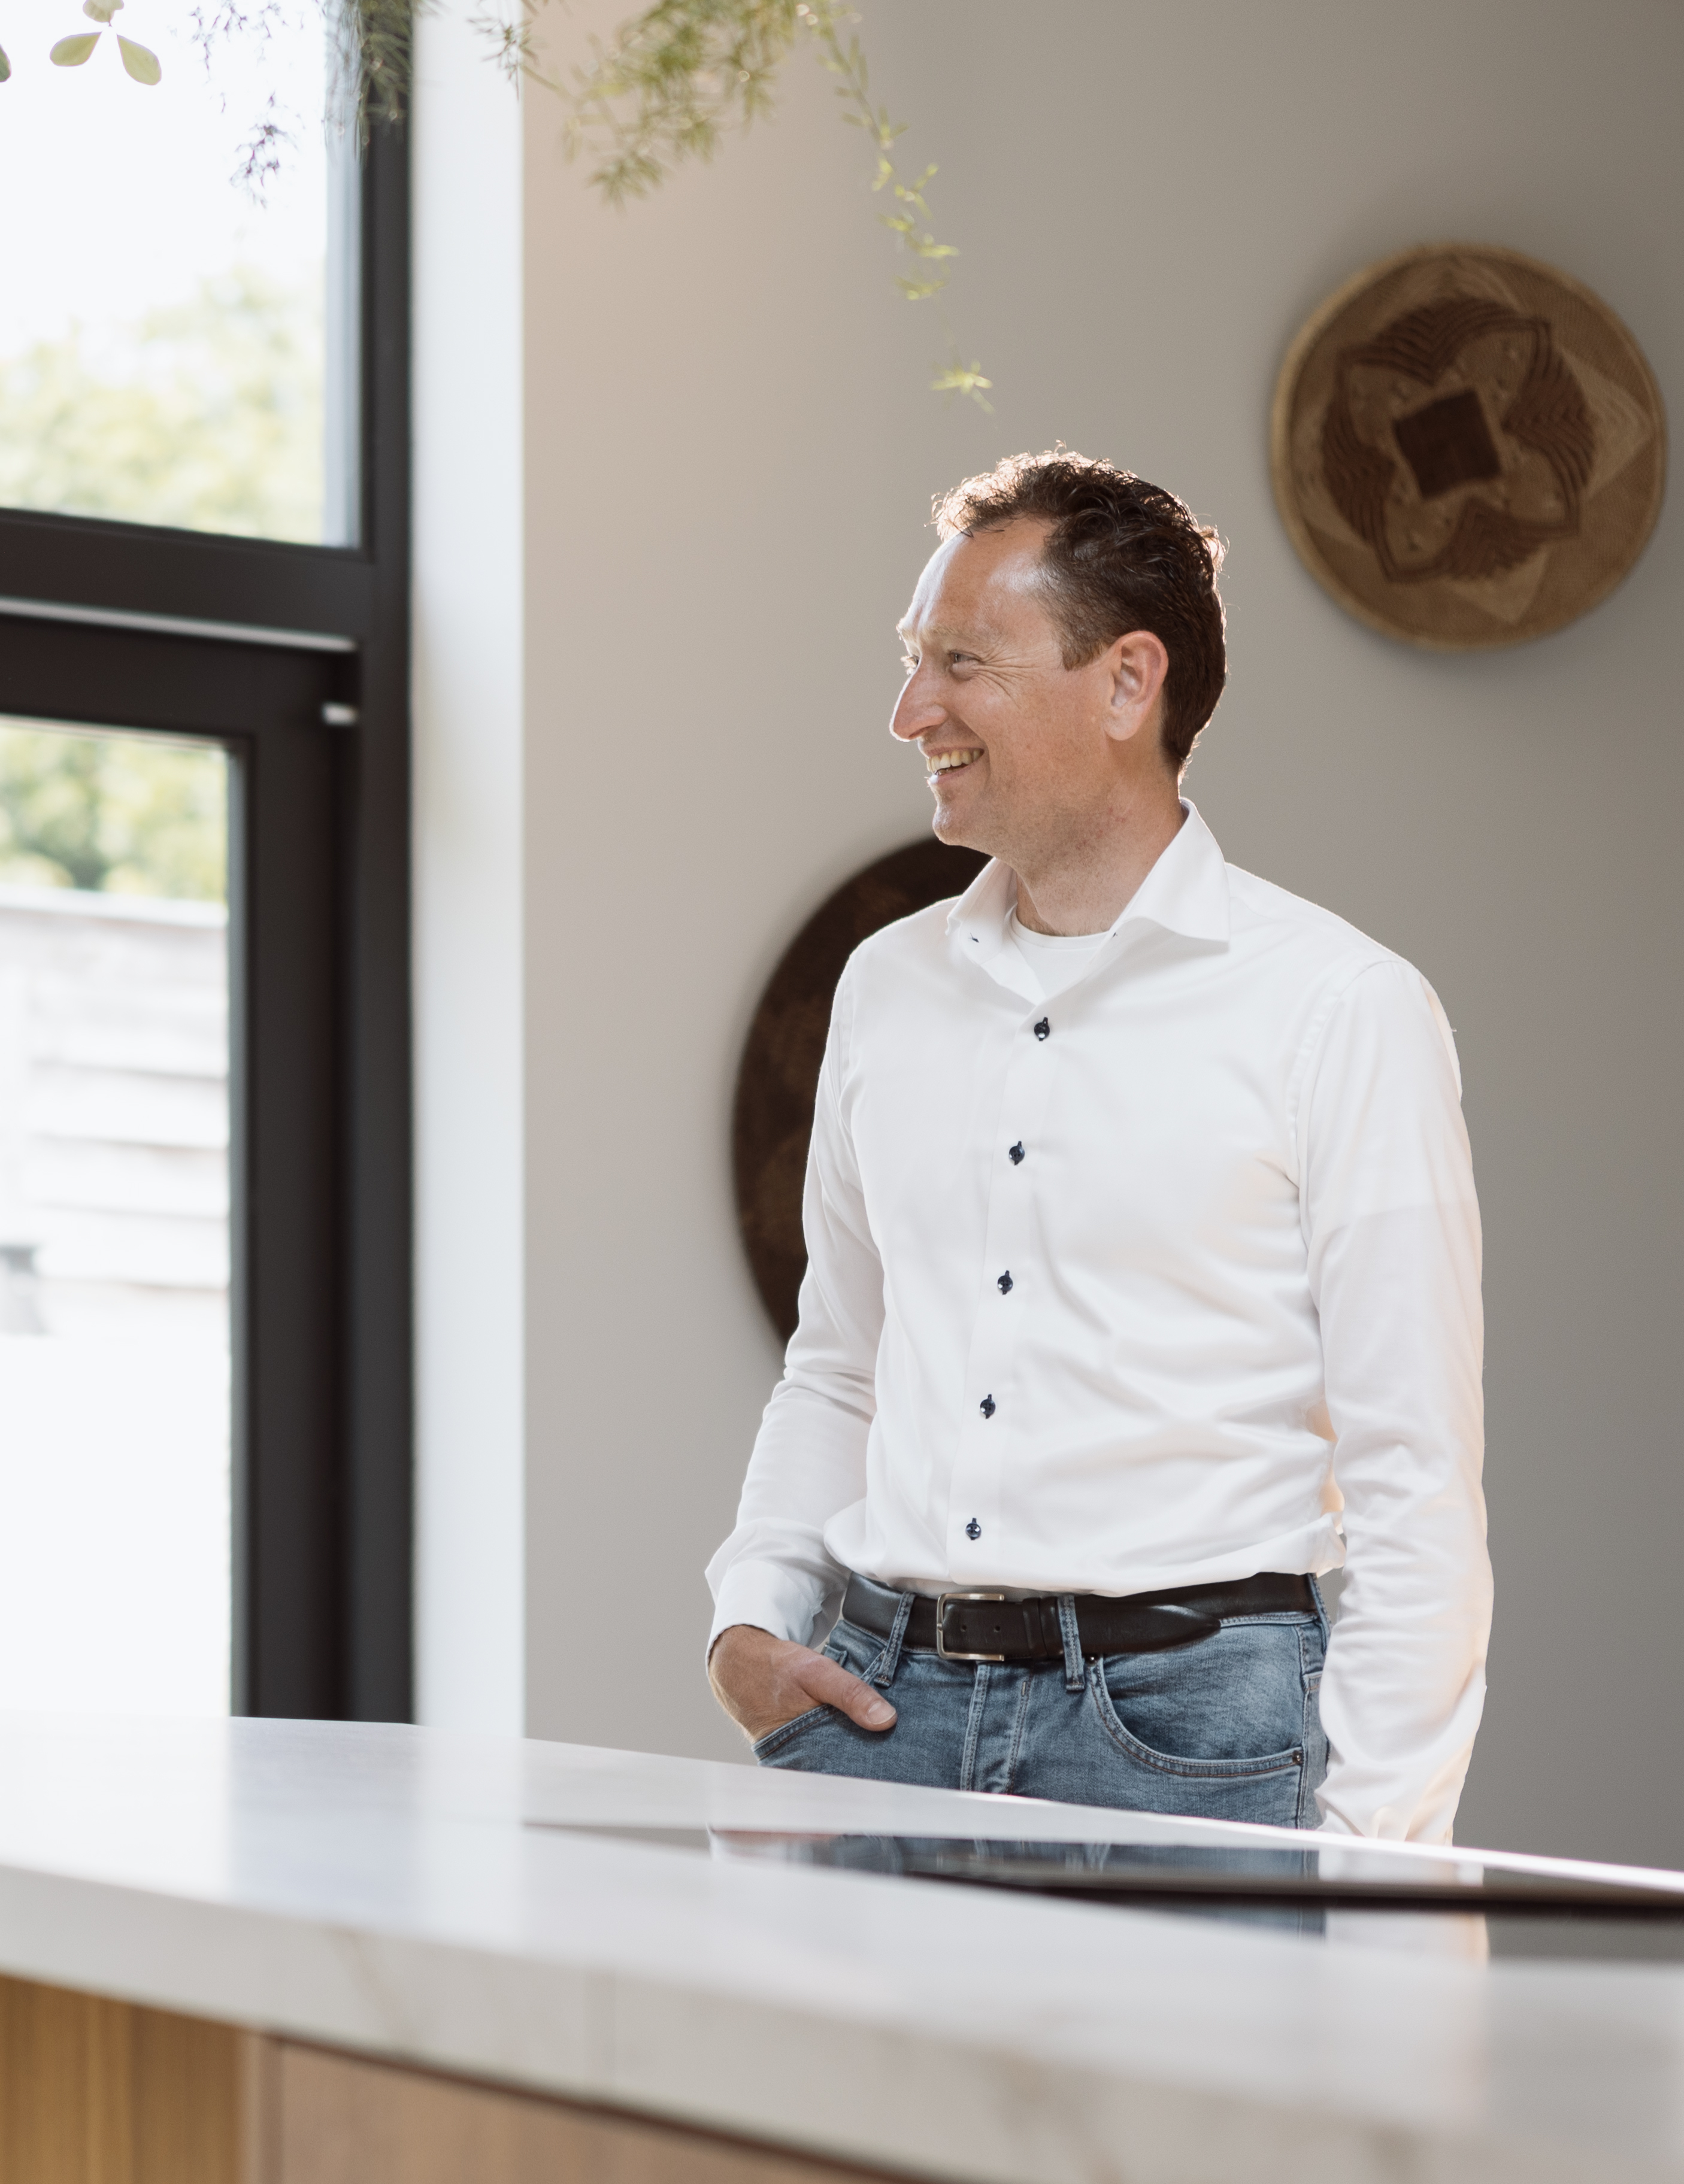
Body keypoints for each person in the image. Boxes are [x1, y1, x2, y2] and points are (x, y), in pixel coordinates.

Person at [705, 451, 1490, 1842]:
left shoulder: (1341, 1008)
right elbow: (838, 1364)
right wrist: (751, 1619)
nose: (909, 710)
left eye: (961, 662)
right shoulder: (884, 987)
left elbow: (1410, 1481)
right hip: (879, 1714)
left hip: (1193, 1741)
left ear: (1128, 684)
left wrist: (1376, 1869)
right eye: (911, 660)